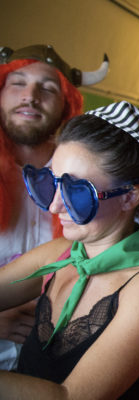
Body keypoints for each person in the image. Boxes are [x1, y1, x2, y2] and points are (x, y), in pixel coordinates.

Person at [0, 101, 139, 399]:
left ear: (129, 197)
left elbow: (70, 396)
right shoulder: (60, 253)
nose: (53, 206)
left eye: (76, 191)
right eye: (51, 183)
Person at [0, 44, 108, 370]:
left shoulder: (93, 182)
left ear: (66, 105)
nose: (30, 96)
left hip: (57, 370)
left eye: (48, 88)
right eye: (17, 83)